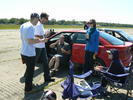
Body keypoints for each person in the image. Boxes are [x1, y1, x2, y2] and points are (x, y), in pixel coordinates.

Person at [20, 13, 48, 93]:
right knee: (30, 72)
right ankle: (28, 89)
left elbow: (27, 38)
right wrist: (42, 40)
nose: (38, 21)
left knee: (29, 70)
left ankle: (29, 85)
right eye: (38, 18)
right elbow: (30, 41)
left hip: (23, 51)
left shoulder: (23, 25)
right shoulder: (31, 27)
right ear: (35, 18)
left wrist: (39, 38)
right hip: (29, 53)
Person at [34, 12, 55, 82]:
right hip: (37, 47)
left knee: (46, 62)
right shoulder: (37, 25)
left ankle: (47, 78)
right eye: (46, 19)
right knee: (33, 63)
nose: (47, 20)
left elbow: (41, 35)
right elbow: (36, 36)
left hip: (42, 46)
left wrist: (46, 35)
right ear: (42, 18)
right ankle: (28, 77)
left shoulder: (41, 25)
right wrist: (44, 37)